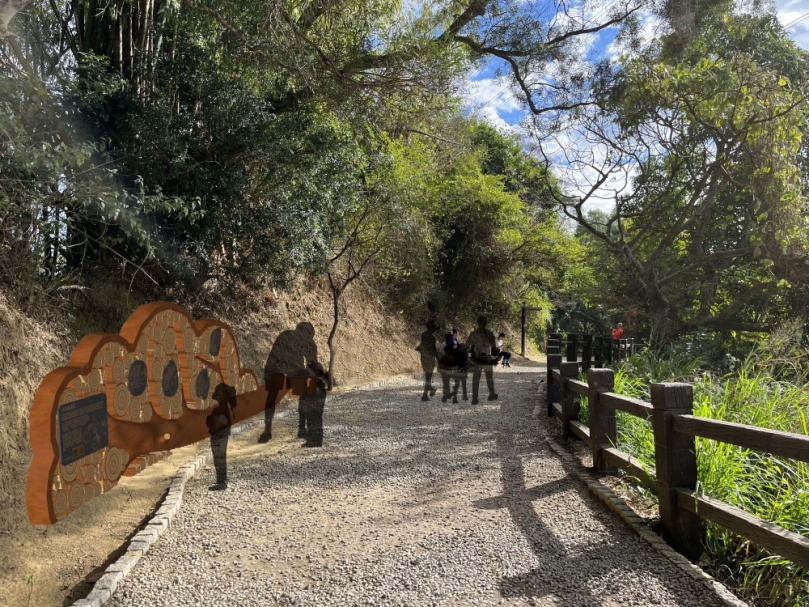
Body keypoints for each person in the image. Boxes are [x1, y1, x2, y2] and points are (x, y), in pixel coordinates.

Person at [466, 316, 498, 405]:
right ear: (485, 323)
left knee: (476, 379)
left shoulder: (473, 334)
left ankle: (474, 398)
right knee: (489, 377)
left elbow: (467, 344)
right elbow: (494, 347)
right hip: (487, 359)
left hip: (477, 359)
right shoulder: (490, 334)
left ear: (478, 323)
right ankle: (491, 394)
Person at [416, 320, 440, 401]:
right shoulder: (432, 338)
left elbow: (423, 345)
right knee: (428, 377)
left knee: (428, 376)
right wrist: (439, 360)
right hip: (430, 359)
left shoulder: (423, 335)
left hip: (423, 358)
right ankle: (425, 395)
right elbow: (434, 349)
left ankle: (427, 393)